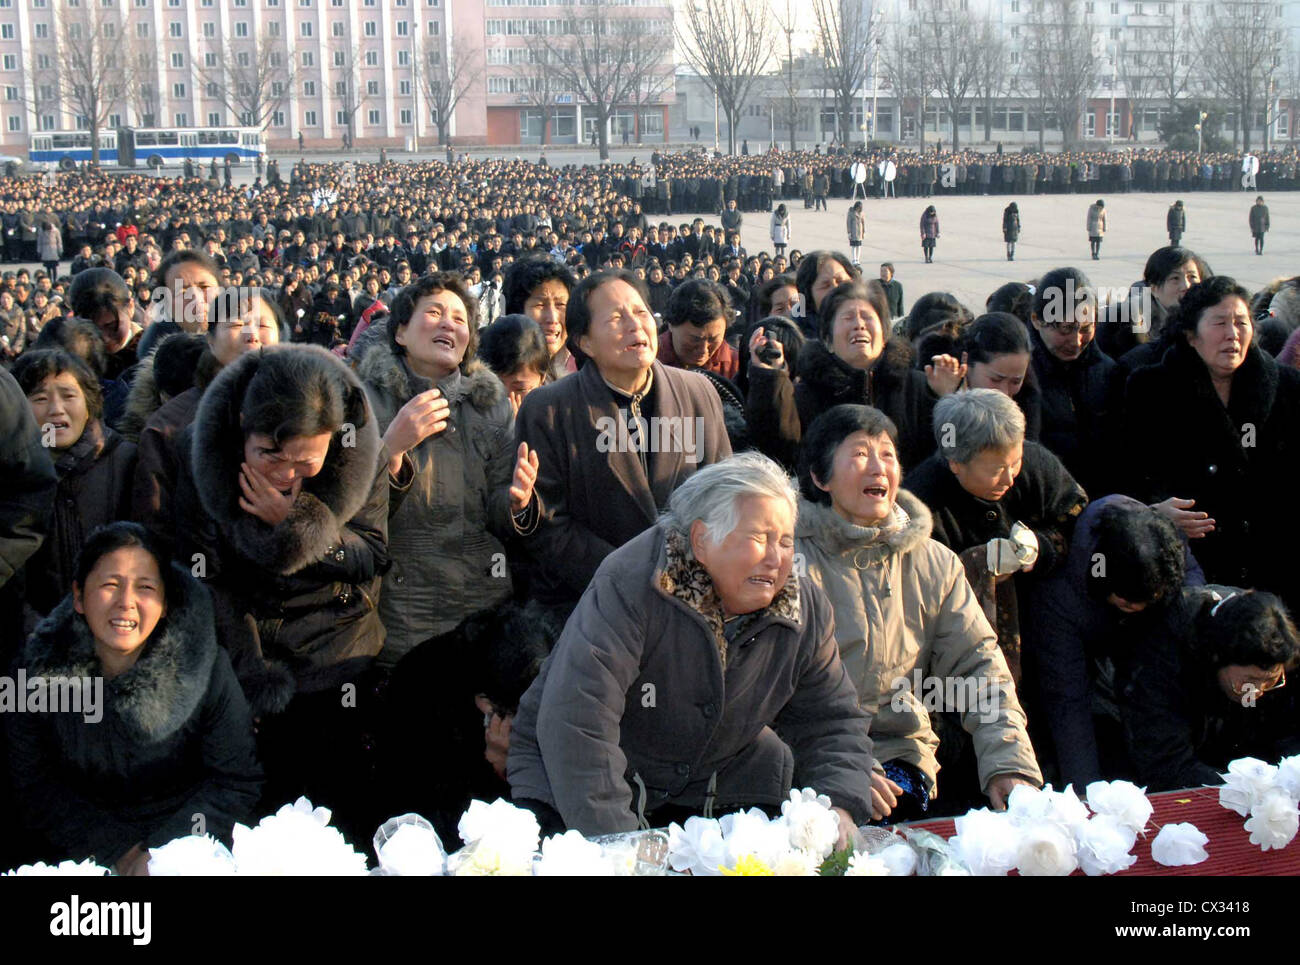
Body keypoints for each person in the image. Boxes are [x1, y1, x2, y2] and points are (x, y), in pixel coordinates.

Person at [507, 452, 874, 838]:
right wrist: (622, 845)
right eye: (758, 538)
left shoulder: (803, 608)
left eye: (785, 542)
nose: (775, 559)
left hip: (718, 781)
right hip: (576, 781)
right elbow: (579, 721)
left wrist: (838, 805)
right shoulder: (633, 583)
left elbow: (831, 719)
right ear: (701, 539)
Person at [172, 345, 389, 839]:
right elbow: (204, 574)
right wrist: (247, 672)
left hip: (337, 652)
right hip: (246, 649)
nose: (286, 474)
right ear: (242, 429)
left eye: (305, 462)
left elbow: (372, 555)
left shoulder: (360, 450)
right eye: (269, 454)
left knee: (337, 820)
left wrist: (295, 525)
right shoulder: (202, 450)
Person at [795, 405, 1041, 821]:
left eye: (887, 454)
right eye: (859, 454)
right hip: (806, 756)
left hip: (899, 753)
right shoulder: (787, 563)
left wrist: (1009, 763)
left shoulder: (933, 563)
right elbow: (767, 690)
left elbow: (977, 664)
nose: (878, 468)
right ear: (821, 477)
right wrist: (837, 768)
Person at [5, 522, 262, 873]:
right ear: (79, 597)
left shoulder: (206, 668)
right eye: (110, 585)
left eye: (145, 587)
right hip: (77, 850)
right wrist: (117, 851)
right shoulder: (35, 675)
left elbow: (236, 779)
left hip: (188, 843)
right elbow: (34, 787)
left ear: (165, 604)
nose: (126, 603)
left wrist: (162, 853)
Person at [513, 269, 731, 614]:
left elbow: (721, 500)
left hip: (687, 599)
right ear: (584, 342)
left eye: (641, 312)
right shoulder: (548, 409)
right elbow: (548, 524)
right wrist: (632, 574)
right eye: (616, 317)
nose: (635, 325)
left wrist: (683, 573)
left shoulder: (698, 391)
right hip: (593, 602)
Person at [356, 273, 540, 668]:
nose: (448, 324)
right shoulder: (363, 402)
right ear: (401, 332)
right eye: (434, 313)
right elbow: (349, 512)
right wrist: (391, 448)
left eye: (459, 319)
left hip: (480, 606)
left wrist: (516, 502)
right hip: (400, 610)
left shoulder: (492, 405)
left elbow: (499, 513)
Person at [1123, 276, 1300, 617]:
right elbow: (1128, 475)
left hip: (1274, 566)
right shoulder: (1150, 390)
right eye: (1219, 323)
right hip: (1193, 566)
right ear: (1191, 334)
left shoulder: (1287, 389)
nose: (1232, 334)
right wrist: (1155, 511)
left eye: (1241, 323)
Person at [904, 389, 1087, 686]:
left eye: (1014, 463)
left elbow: (1077, 521)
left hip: (1048, 616)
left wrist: (1040, 548)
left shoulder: (1036, 466)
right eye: (996, 470)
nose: (1009, 478)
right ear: (956, 463)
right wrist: (975, 568)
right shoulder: (921, 506)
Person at [1025, 495, 1202, 789]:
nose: (1132, 606)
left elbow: (1192, 599)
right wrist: (1086, 796)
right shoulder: (1060, 597)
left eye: (1144, 602)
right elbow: (1068, 703)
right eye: (1125, 600)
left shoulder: (1163, 541)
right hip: (1091, 676)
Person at [747, 280, 962, 473]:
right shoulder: (806, 395)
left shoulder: (919, 386)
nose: (859, 325)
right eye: (848, 318)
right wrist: (769, 380)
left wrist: (946, 402)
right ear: (828, 340)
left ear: (885, 334)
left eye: (867, 317)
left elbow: (951, 454)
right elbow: (777, 454)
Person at [132, 287, 284, 541]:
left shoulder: (309, 406)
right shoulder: (170, 424)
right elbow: (154, 527)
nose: (251, 334)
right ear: (210, 340)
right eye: (236, 323)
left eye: (263, 325)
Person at [1121, 588, 1300, 792]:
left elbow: (1288, 733)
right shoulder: (1162, 662)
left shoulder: (1277, 652)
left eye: (1270, 681)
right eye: (1250, 681)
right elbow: (1167, 765)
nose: (1256, 692)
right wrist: (1248, 791)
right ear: (1218, 659)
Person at [13, 350, 137, 619]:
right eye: (40, 398)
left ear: (89, 401)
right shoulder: (11, 476)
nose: (56, 409)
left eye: (69, 396)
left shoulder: (127, 460)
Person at [1028, 266, 1121, 497]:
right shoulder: (1020, 375)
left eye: (1086, 328)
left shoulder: (1109, 372)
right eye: (1066, 329)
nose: (1076, 341)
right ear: (1037, 320)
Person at [959, 311, 1042, 439]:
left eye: (1015, 382)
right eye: (996, 379)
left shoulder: (1027, 404)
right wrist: (945, 398)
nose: (1003, 392)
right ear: (966, 360)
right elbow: (947, 451)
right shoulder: (933, 392)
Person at [135, 249, 221, 361]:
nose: (196, 298)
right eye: (182, 292)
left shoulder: (246, 338)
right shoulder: (153, 352)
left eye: (204, 287)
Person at [502, 255, 577, 382]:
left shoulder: (588, 373)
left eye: (560, 305)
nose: (553, 318)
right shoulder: (498, 379)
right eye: (540, 305)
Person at [658, 277, 740, 380]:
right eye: (695, 339)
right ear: (670, 324)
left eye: (712, 339)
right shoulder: (649, 361)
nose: (703, 350)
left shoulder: (736, 365)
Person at [478, 313, 553, 415]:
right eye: (496, 385)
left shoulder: (559, 415)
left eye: (520, 389)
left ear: (542, 380)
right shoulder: (468, 408)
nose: (507, 399)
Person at [846, 201, 865, 268]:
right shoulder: (851, 213)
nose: (859, 209)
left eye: (860, 208)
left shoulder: (862, 213)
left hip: (859, 232)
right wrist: (849, 232)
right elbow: (848, 223)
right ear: (856, 207)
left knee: (859, 246)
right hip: (853, 231)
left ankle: (858, 259)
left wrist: (864, 232)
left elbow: (863, 222)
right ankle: (854, 259)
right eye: (858, 207)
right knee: (854, 246)